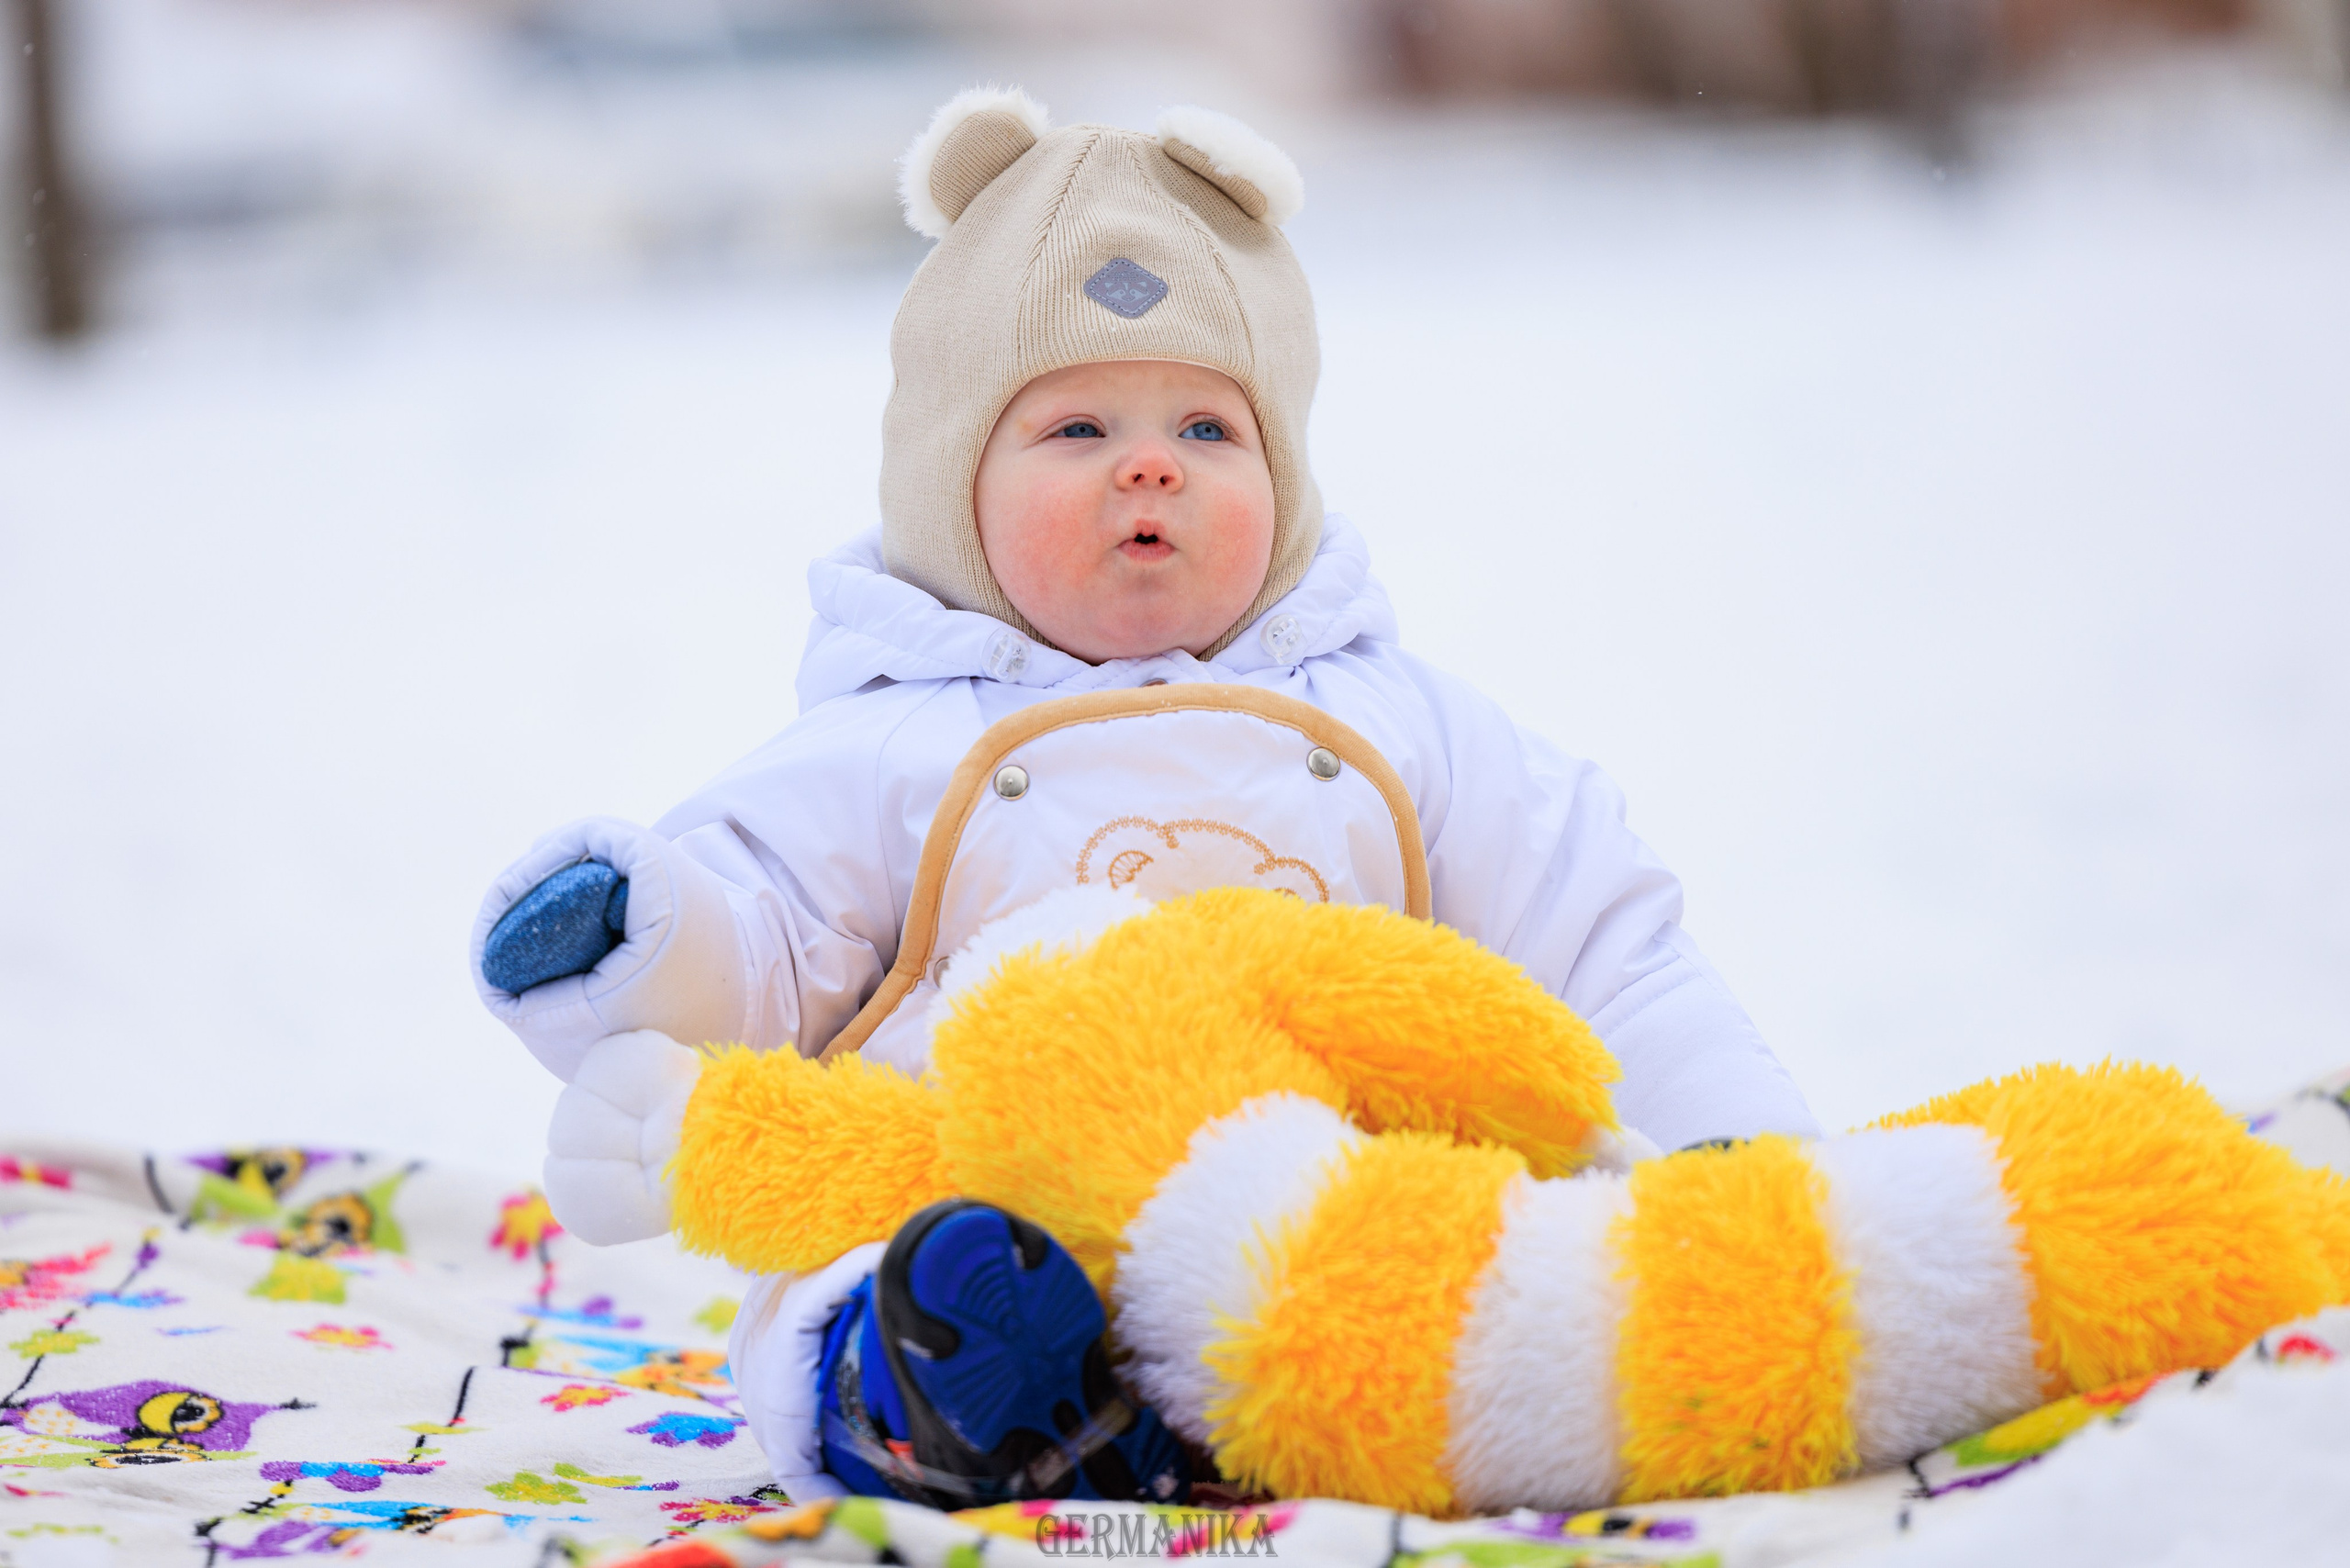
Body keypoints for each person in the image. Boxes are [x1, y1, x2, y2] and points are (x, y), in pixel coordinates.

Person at [469, 89, 1819, 1508]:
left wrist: (1742, 1159)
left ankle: (1461, 1374)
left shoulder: (1393, 724)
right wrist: (651, 940)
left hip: (1336, 1240)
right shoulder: (898, 743)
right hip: (983, 1205)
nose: (1151, 461)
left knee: (1504, 1255)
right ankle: (938, 1394)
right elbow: (766, 941)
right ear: (953, 486)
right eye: (1074, 429)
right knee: (853, 1290)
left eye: (1207, 427)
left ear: (1282, 479)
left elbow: (1605, 943)